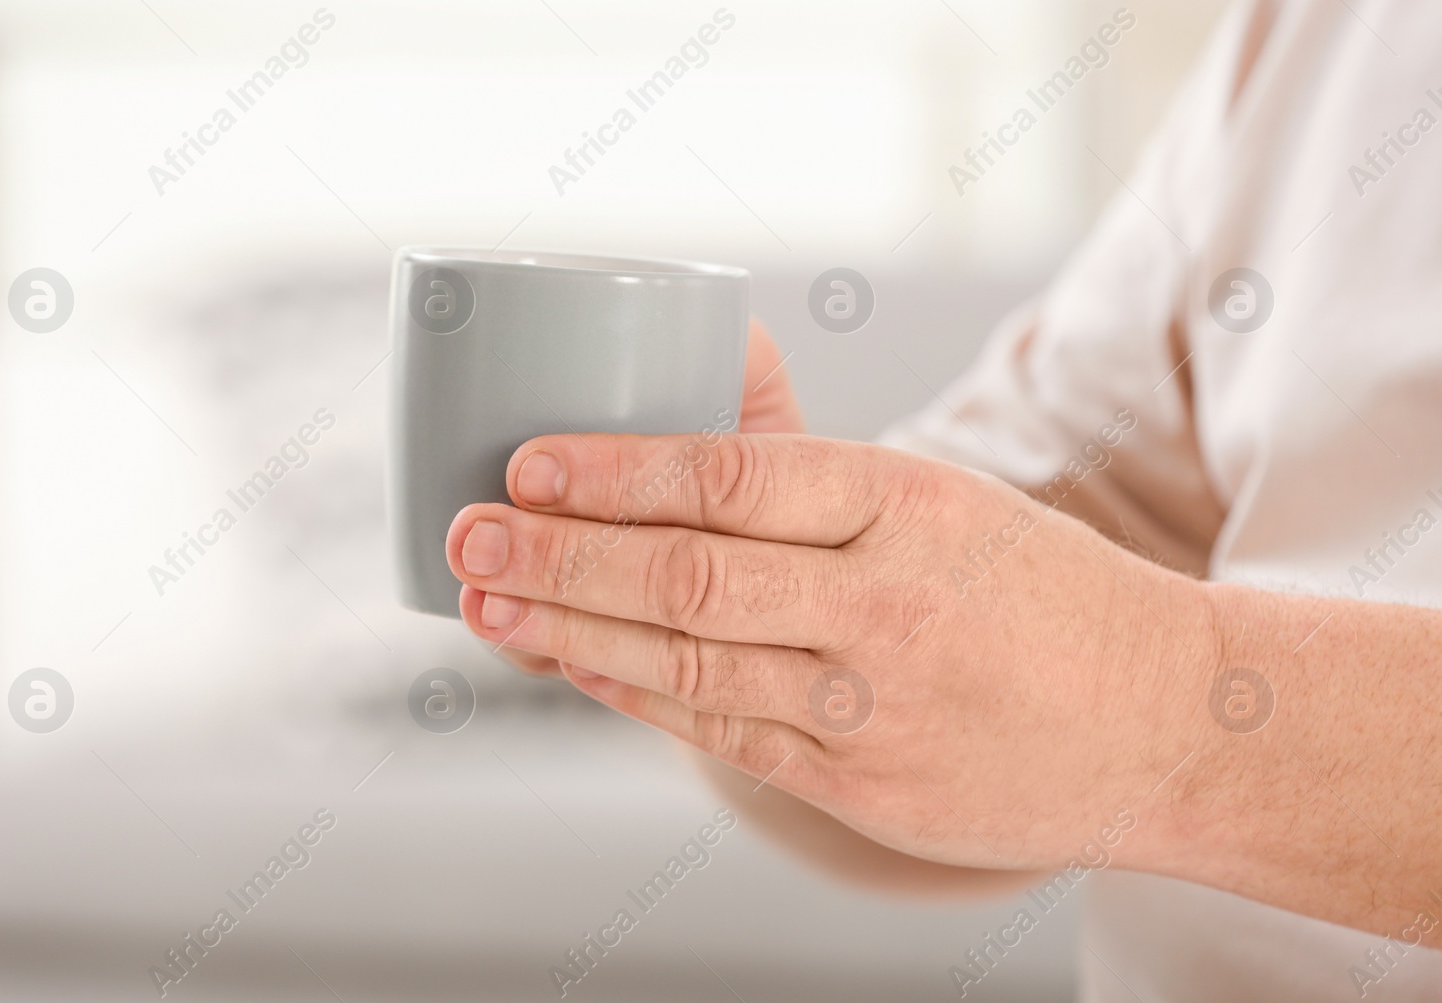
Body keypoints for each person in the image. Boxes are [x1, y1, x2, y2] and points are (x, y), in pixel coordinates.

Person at [449, 0, 1442, 997]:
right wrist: (737, 602)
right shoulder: (1314, 32)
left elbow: (1110, 701)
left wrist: (1159, 705)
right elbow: (984, 724)